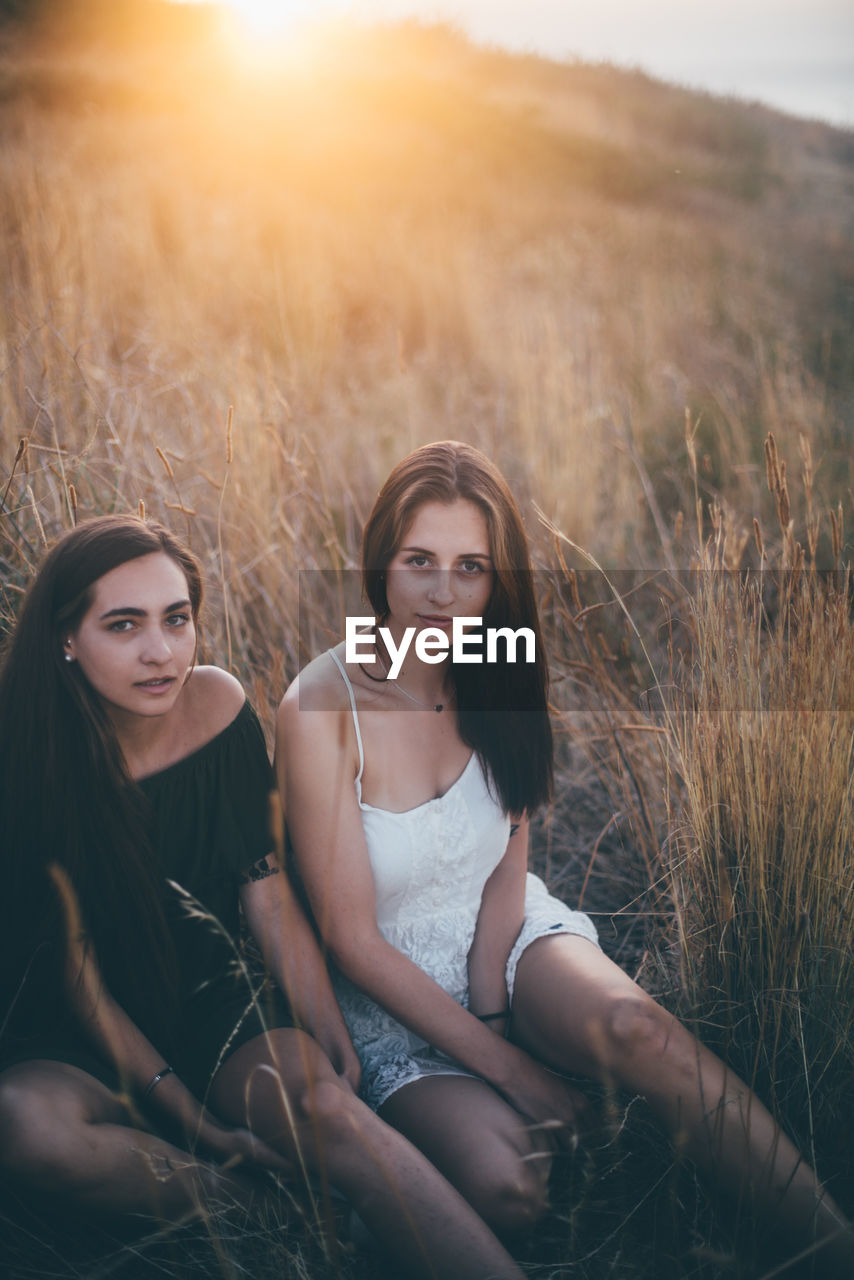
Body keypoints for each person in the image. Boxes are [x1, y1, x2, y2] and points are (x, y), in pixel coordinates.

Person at [277, 440, 854, 1273]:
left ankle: (829, 1246)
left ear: (496, 579)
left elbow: (511, 845)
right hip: (386, 1004)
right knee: (512, 1185)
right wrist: (509, 1066)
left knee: (637, 1029)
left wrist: (497, 1013)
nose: (444, 594)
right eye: (420, 562)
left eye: (471, 567)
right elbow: (350, 938)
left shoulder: (496, 661)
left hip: (504, 940)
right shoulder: (323, 704)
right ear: (380, 565)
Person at [0, 513, 526, 1280]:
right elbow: (82, 987)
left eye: (176, 619)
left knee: (327, 1108)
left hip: (213, 999)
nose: (161, 651)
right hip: (74, 1034)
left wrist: (323, 1024)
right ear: (66, 639)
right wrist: (200, 1126)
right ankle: (262, 1210)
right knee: (24, 1128)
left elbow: (265, 887)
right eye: (124, 625)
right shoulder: (26, 761)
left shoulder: (214, 706)